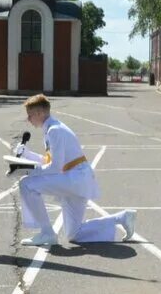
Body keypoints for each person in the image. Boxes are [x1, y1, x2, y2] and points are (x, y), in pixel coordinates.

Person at [15, 94, 136, 246]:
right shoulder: (52, 128)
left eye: (30, 115)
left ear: (40, 113)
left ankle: (47, 233)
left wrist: (27, 171)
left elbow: (55, 167)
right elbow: (51, 161)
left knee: (26, 184)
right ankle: (121, 218)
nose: (28, 119)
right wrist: (27, 154)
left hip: (74, 178)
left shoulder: (54, 131)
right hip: (75, 178)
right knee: (74, 233)